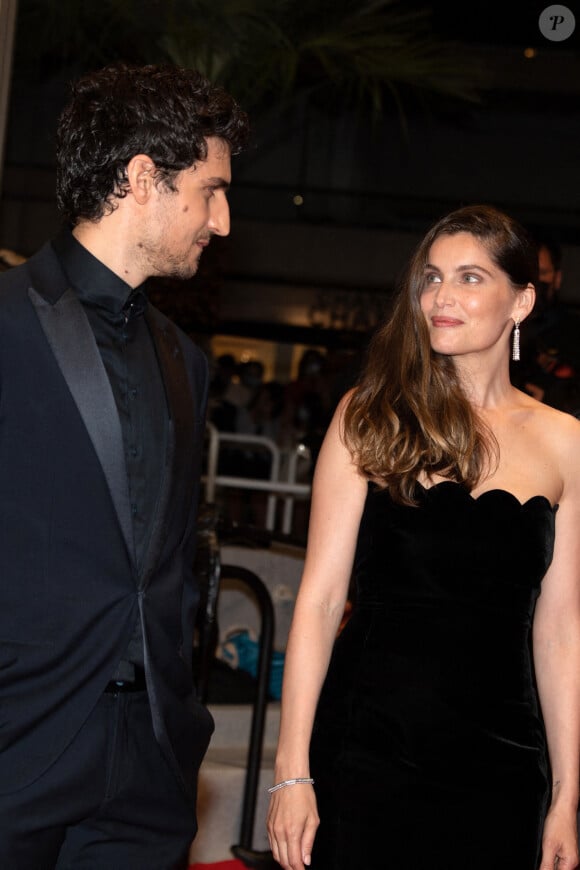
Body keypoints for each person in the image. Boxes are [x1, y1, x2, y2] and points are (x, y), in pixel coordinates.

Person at [267, 205, 580, 870]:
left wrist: (565, 797)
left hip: (503, 758)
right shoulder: (371, 412)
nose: (441, 296)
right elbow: (320, 603)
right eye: (432, 278)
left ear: (521, 301)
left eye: (470, 278)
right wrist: (292, 773)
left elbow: (560, 631)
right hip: (366, 747)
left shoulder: (568, 443)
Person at [0, 62, 249, 869]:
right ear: (143, 179)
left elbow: (164, 556)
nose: (224, 220)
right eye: (210, 190)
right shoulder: (5, 322)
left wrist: (180, 710)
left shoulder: (186, 360)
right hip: (19, 744)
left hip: (148, 762)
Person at [514, 232, 580, 416]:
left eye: (542, 273)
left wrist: (553, 400)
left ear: (557, 278)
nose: (535, 283)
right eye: (528, 274)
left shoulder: (574, 331)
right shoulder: (497, 330)